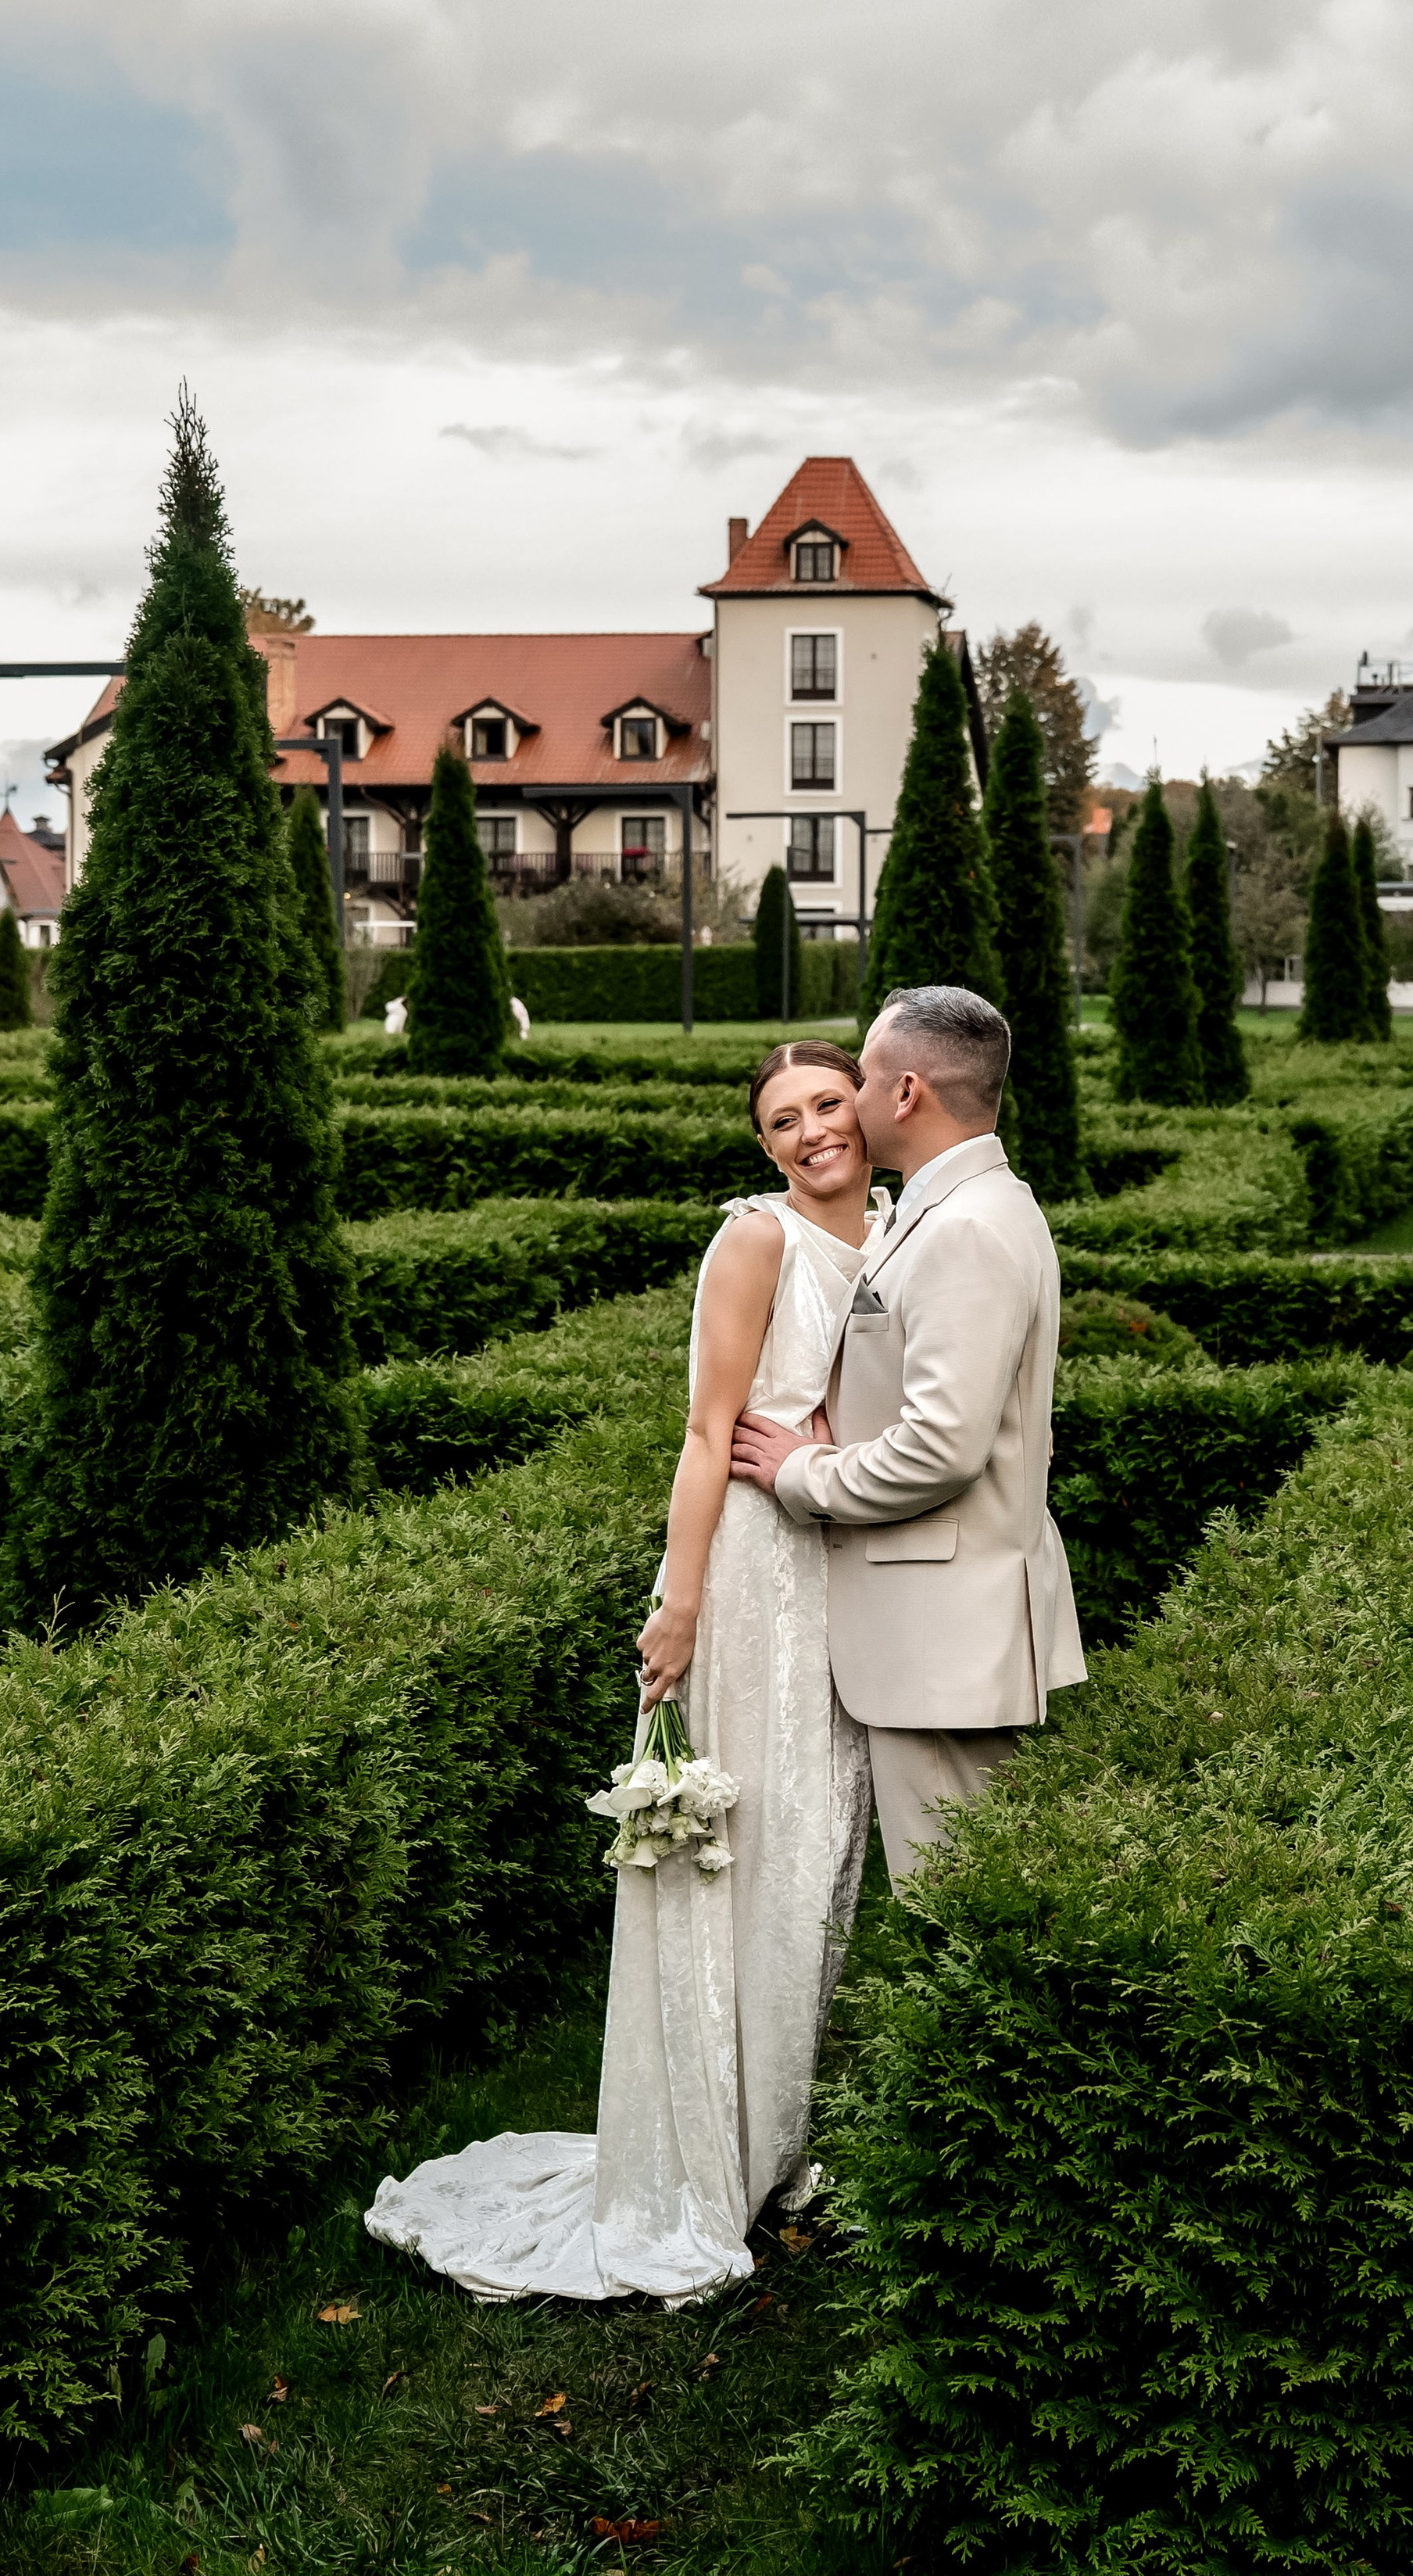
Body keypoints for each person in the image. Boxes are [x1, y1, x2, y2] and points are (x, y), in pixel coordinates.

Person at [363, 1040, 879, 2302]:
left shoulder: (912, 1226)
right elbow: (709, 1432)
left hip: (850, 1567)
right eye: (781, 1121)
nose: (811, 1131)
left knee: (816, 1857)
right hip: (754, 1577)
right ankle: (700, 2165)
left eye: (826, 1104)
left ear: (867, 1105)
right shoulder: (756, 1240)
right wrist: (684, 1601)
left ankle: (772, 2137)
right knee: (738, 1853)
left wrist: (836, 1438)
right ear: (762, 1149)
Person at [731, 984, 1086, 1886]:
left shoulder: (964, 1228)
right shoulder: (960, 1207)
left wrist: (800, 1471)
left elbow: (942, 1448)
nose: (844, 1103)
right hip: (945, 1628)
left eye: (864, 1076)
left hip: (944, 1636)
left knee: (958, 1905)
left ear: (906, 1093)